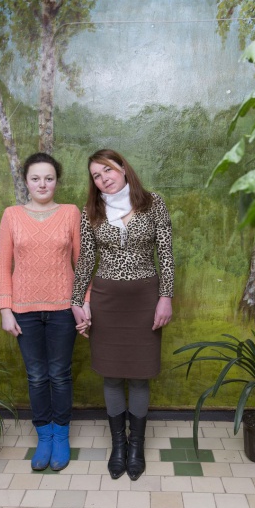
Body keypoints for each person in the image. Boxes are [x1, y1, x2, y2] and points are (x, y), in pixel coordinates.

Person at [71, 149, 174, 481]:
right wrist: (77, 301)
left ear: (123, 168)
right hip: (106, 300)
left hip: (146, 298)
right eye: (96, 176)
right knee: (112, 375)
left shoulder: (153, 202)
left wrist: (165, 297)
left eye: (107, 170)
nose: (103, 179)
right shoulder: (91, 211)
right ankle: (118, 446)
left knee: (140, 375)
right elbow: (86, 260)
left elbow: (167, 254)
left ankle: (137, 447)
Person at [0, 152, 87, 471]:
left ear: (56, 180)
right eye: (35, 178)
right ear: (26, 181)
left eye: (48, 177)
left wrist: (84, 302)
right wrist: (6, 308)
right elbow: (2, 265)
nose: (42, 183)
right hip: (24, 311)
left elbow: (83, 263)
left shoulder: (71, 213)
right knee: (36, 376)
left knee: (59, 375)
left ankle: (61, 436)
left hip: (63, 309)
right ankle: (43, 436)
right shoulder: (11, 215)